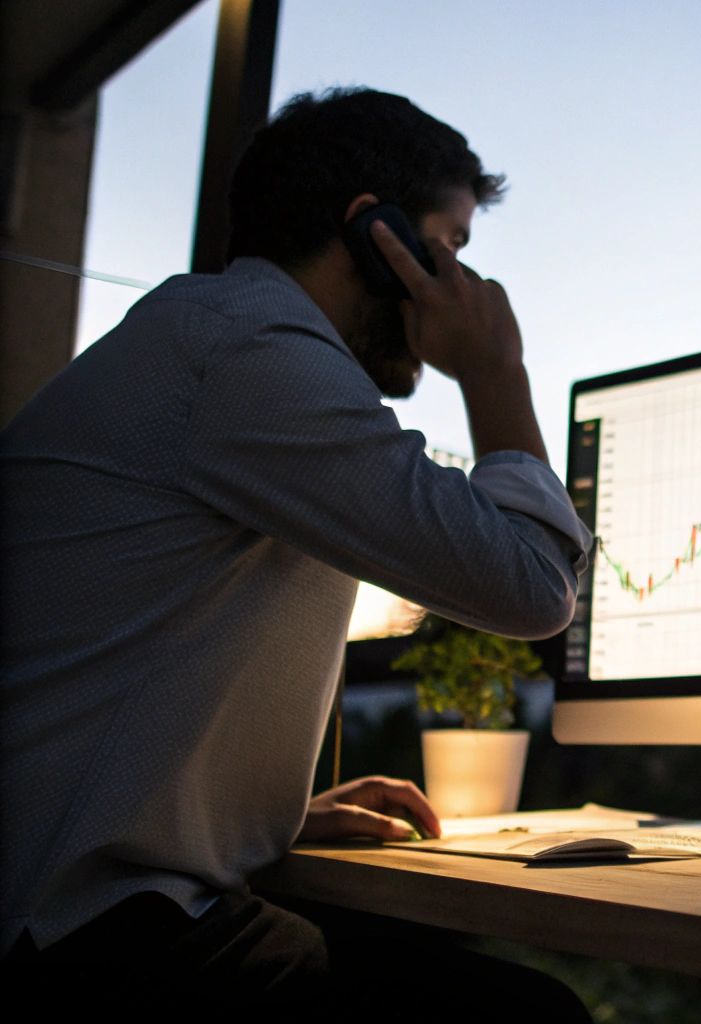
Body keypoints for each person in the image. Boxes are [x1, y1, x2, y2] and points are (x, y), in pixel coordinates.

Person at [0, 87, 593, 1020]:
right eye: (453, 249)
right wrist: (495, 372)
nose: (466, 290)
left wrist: (248, 810)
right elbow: (532, 585)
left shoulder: (209, 341)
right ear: (377, 235)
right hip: (68, 940)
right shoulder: (251, 351)